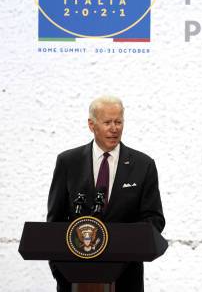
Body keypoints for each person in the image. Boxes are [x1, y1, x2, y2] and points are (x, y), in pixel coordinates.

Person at [47, 95, 165, 292]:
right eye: (107, 122)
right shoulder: (68, 162)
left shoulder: (143, 165)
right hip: (74, 278)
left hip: (126, 279)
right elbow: (54, 223)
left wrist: (124, 240)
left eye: (119, 122)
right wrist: (60, 271)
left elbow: (155, 219)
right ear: (91, 125)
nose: (114, 128)